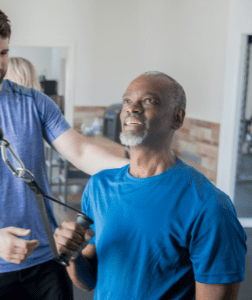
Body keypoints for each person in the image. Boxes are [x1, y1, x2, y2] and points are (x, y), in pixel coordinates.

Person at [0, 7, 128, 300]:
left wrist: (141, 170)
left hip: (46, 260)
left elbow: (80, 151)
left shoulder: (35, 102)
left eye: (4, 53)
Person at [54, 71, 248, 299]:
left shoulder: (210, 206)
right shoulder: (99, 186)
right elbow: (89, 281)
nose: (132, 108)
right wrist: (73, 255)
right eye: (127, 101)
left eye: (148, 101)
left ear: (177, 118)